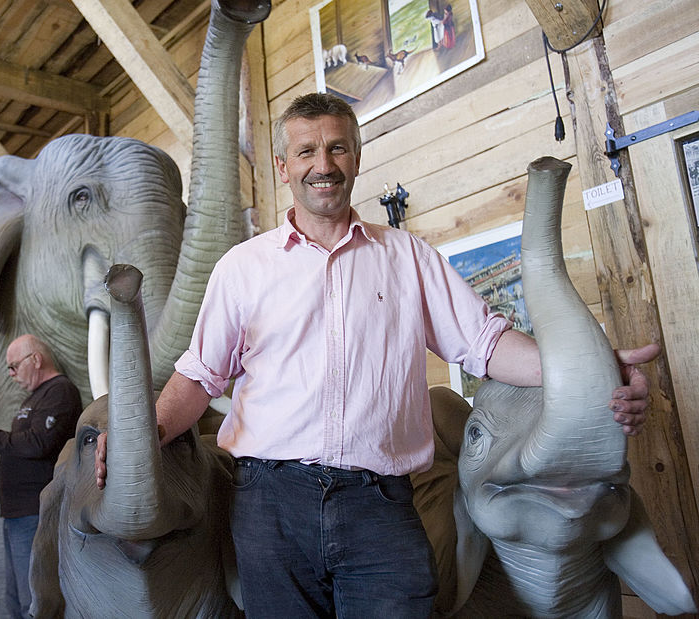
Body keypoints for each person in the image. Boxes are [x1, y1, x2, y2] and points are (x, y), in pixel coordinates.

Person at [95, 92, 654, 617]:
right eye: (307, 151)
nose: (324, 164)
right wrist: (140, 441)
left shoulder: (409, 257)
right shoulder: (242, 268)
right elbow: (198, 377)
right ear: (283, 164)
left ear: (356, 157)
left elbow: (487, 346)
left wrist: (594, 368)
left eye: (337, 147)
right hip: (270, 505)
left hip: (380, 505)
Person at [0, 334, 82, 619]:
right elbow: (21, 440)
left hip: (35, 510)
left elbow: (37, 444)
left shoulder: (60, 391)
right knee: (15, 598)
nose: (11, 374)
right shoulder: (35, 397)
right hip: (17, 512)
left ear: (35, 360)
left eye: (13, 366)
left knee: (33, 600)